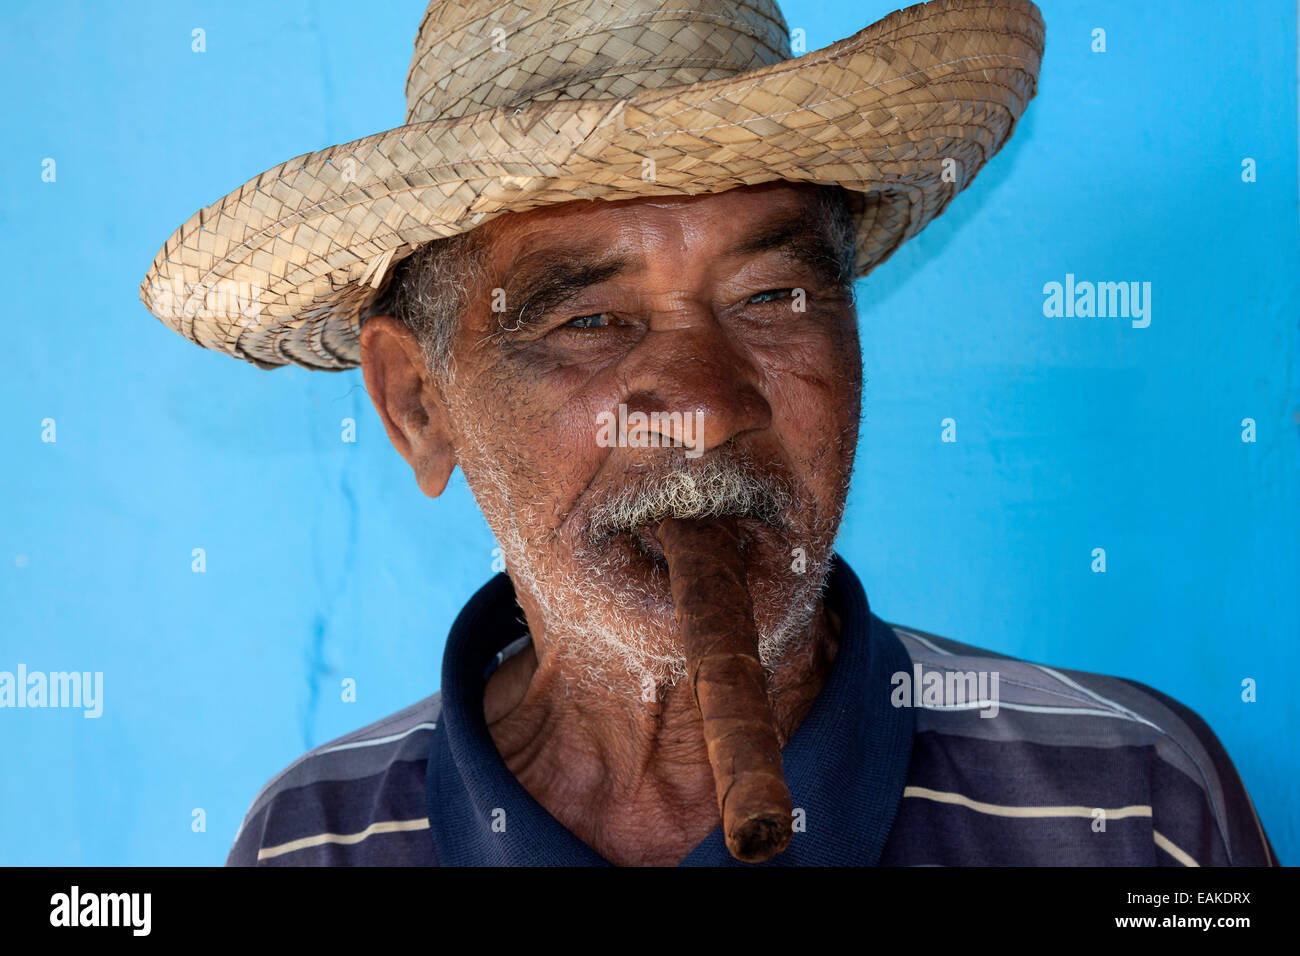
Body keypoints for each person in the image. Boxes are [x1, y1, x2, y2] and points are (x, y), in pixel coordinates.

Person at [139, 0, 1276, 866]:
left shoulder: (1132, 805)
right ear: (417, 405)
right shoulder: (315, 841)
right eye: (589, 320)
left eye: (772, 299)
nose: (711, 405)